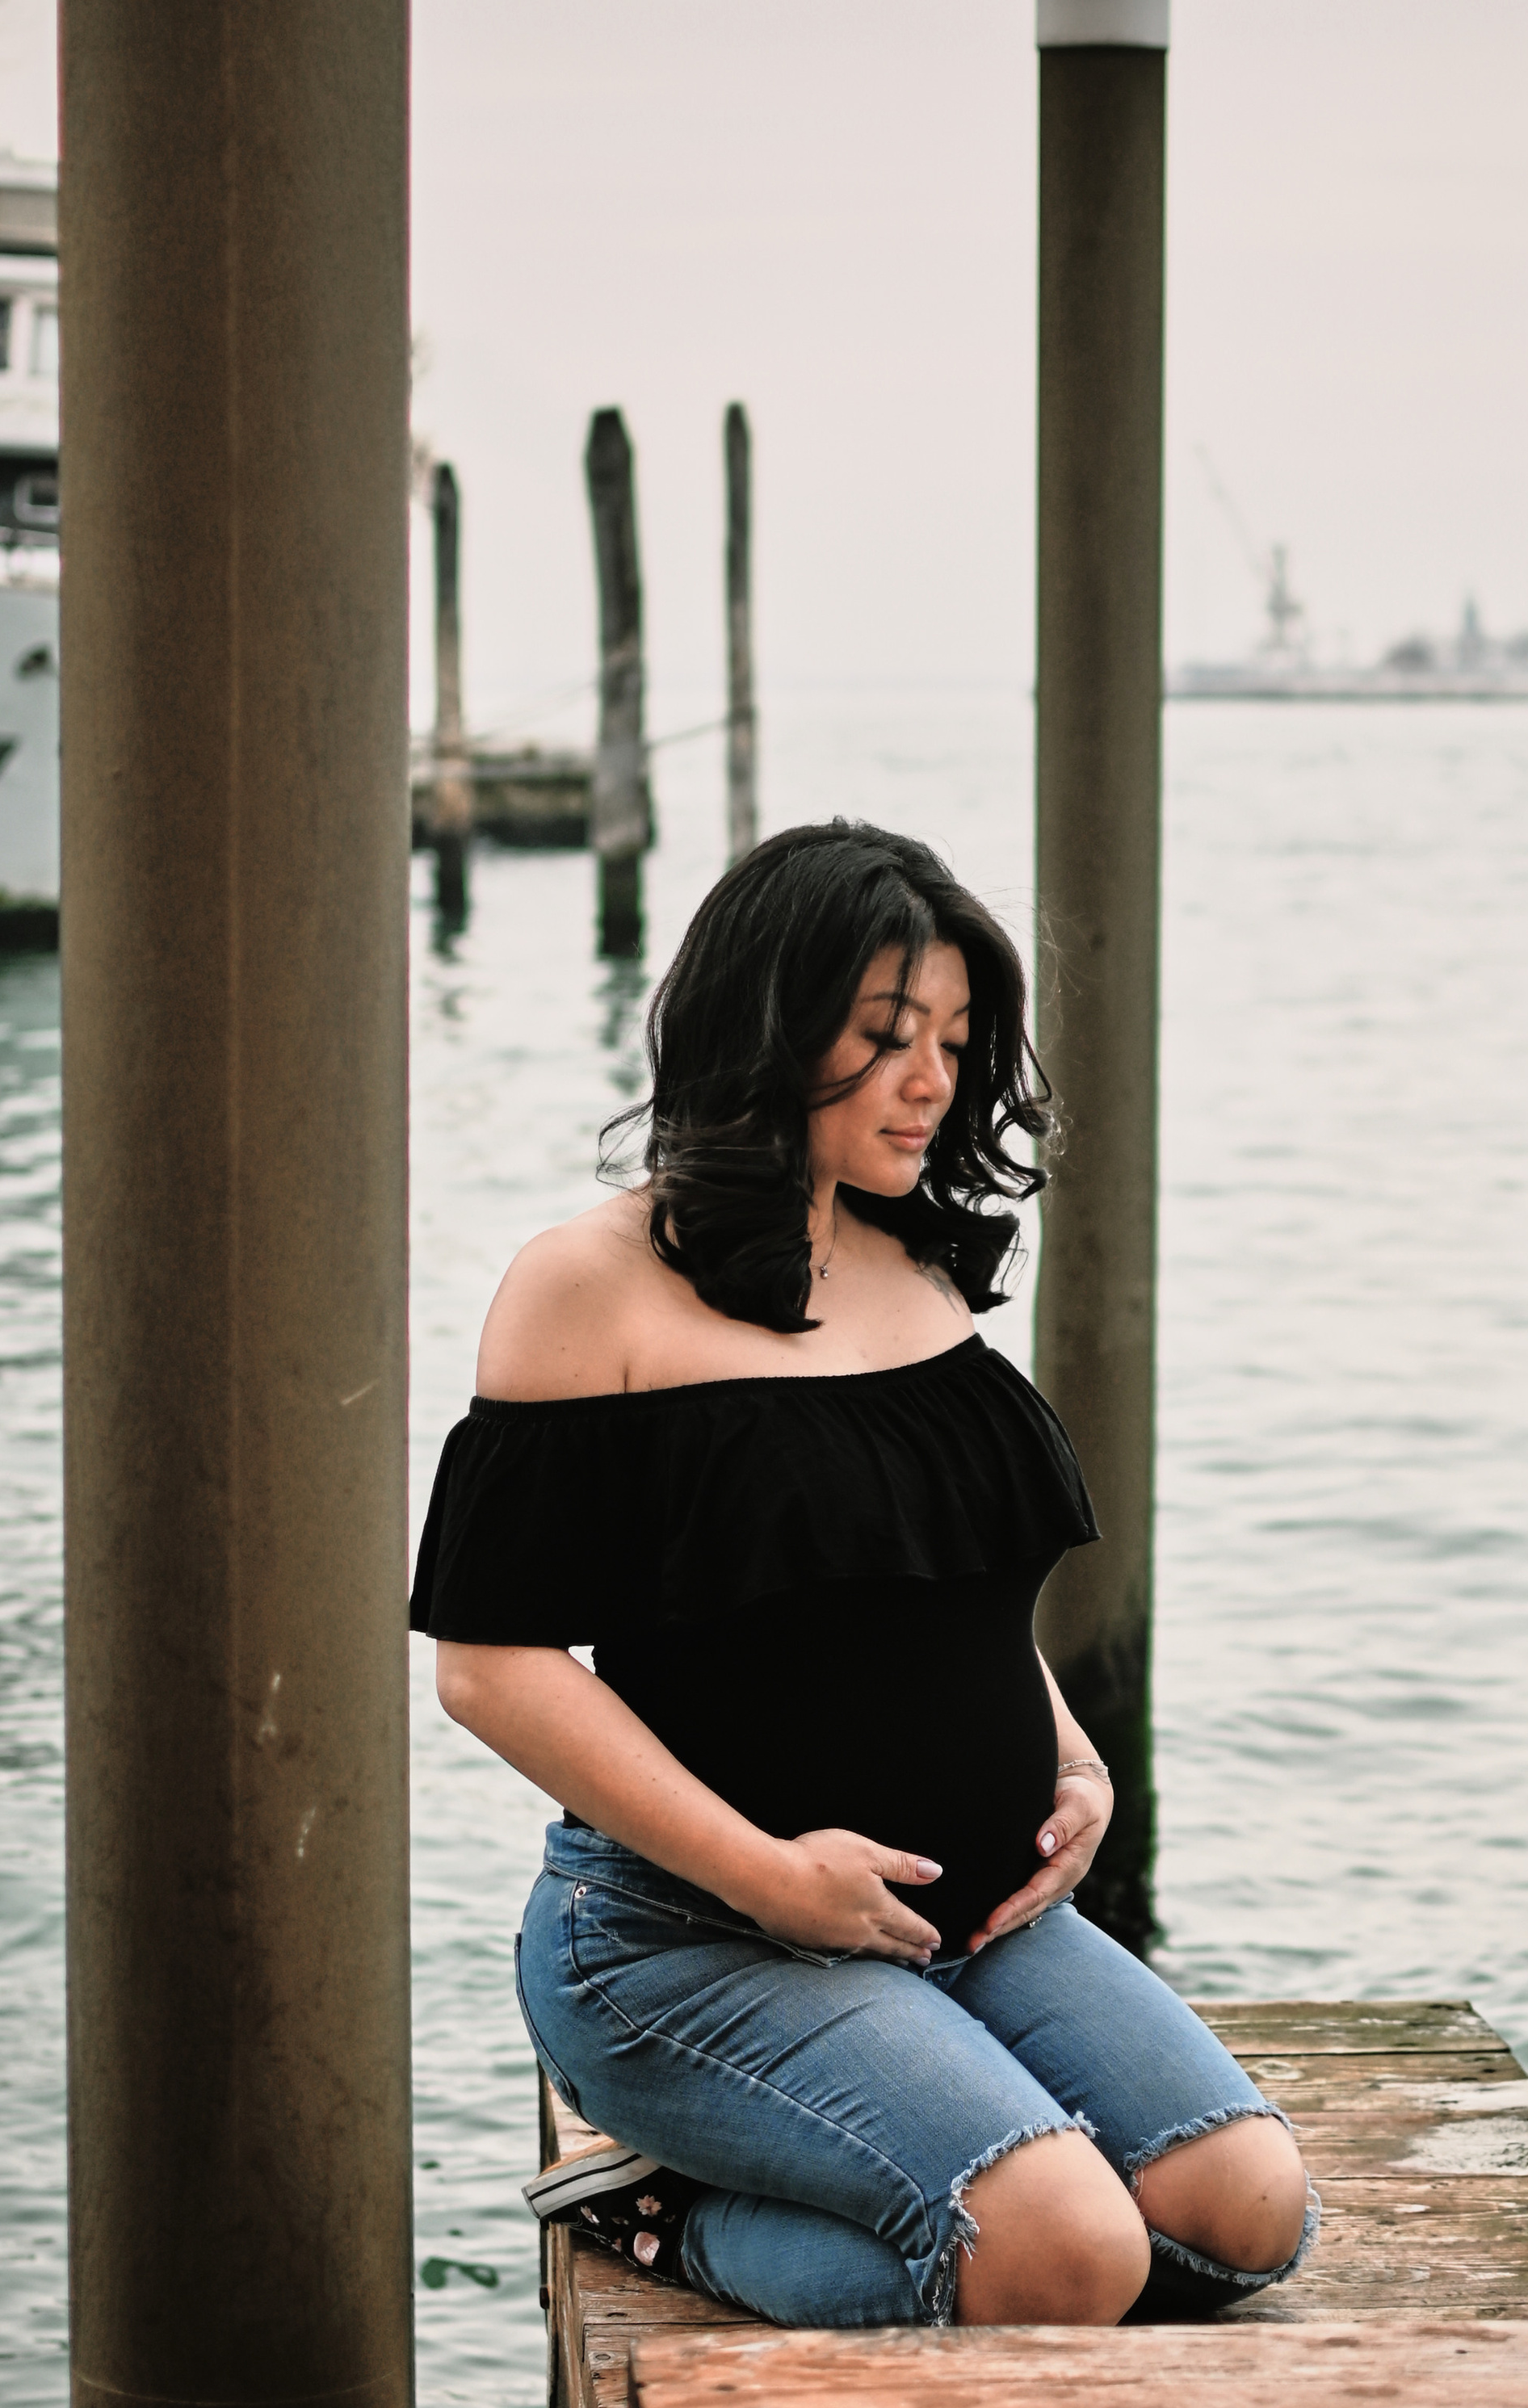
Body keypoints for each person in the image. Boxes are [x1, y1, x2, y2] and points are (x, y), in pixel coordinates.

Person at [409, 819, 1315, 2327]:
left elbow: (935, 1587)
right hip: (684, 1938)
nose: (934, 1080)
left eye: (956, 1040)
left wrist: (1069, 1755)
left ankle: (938, 2182)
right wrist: (771, 1877)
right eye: (889, 1035)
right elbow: (491, 1667)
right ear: (765, 1028)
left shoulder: (921, 1260)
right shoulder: (587, 1287)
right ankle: (669, 2221)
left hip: (973, 1924)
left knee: (1248, 2214)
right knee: (1071, 2258)